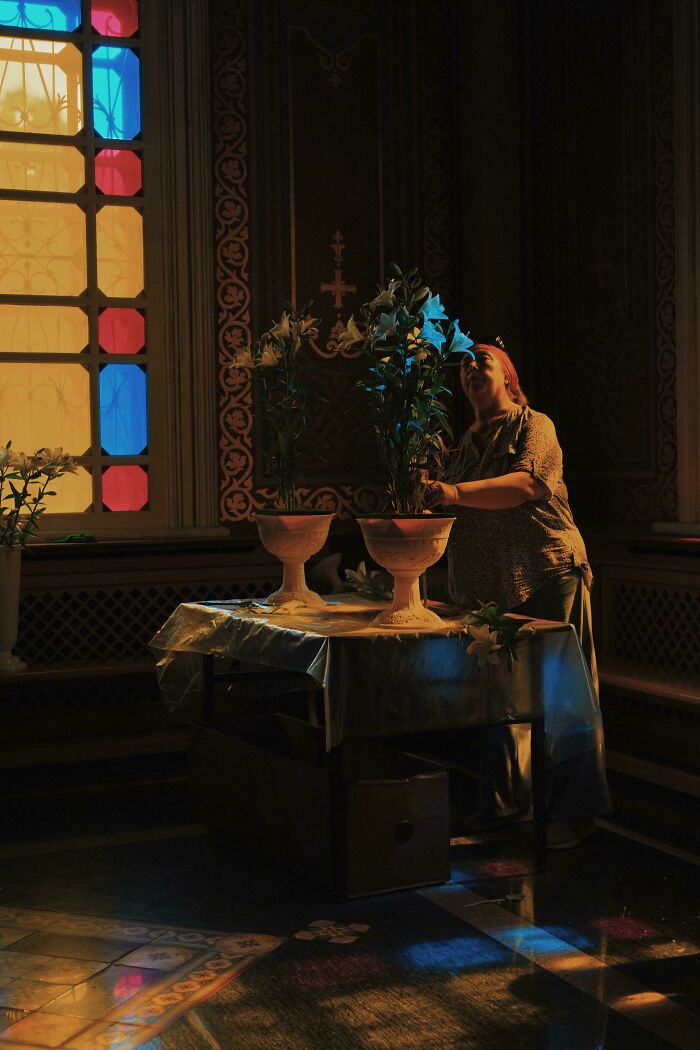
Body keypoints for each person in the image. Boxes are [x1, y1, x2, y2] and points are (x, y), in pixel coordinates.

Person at [423, 342, 611, 849]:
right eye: (464, 365)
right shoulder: (464, 445)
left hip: (548, 570)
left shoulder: (535, 425)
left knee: (565, 695)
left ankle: (576, 812)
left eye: (482, 359)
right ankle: (506, 805)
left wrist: (453, 492)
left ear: (508, 374)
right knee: (501, 698)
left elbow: (528, 484)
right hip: (493, 588)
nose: (470, 367)